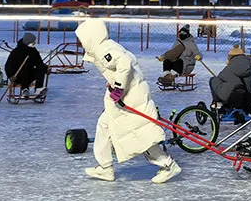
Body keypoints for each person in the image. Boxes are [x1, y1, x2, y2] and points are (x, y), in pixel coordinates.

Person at [76, 19, 181, 184]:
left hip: (130, 97)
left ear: (91, 37)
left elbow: (125, 64)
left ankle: (168, 165)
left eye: (82, 39)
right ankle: (105, 167)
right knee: (105, 125)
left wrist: (118, 88)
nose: (81, 43)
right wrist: (115, 83)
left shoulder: (103, 49)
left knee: (139, 134)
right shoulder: (105, 46)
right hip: (128, 94)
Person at [209, 45, 251, 114]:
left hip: (230, 97)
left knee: (213, 80)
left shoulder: (229, 68)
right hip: (245, 96)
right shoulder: (249, 69)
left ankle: (218, 104)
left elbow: (220, 77)